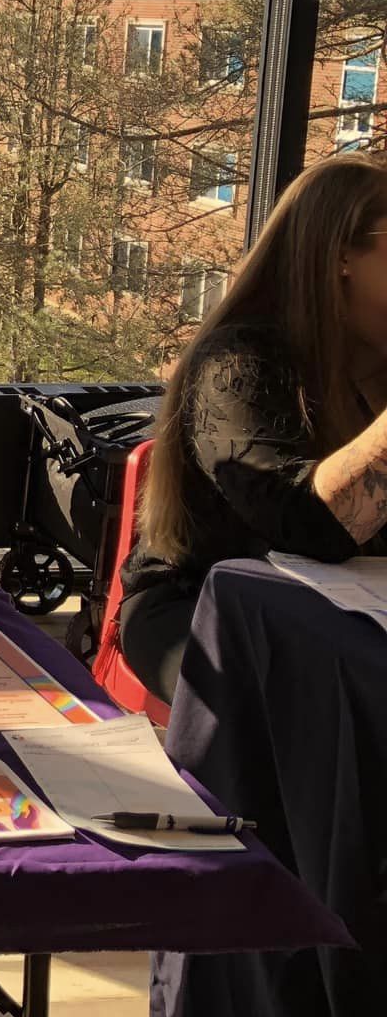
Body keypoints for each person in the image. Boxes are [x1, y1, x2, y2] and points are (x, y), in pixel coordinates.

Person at [119, 154, 387, 702]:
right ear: (341, 256)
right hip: (205, 606)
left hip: (350, 610)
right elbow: (305, 526)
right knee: (334, 697)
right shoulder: (237, 363)